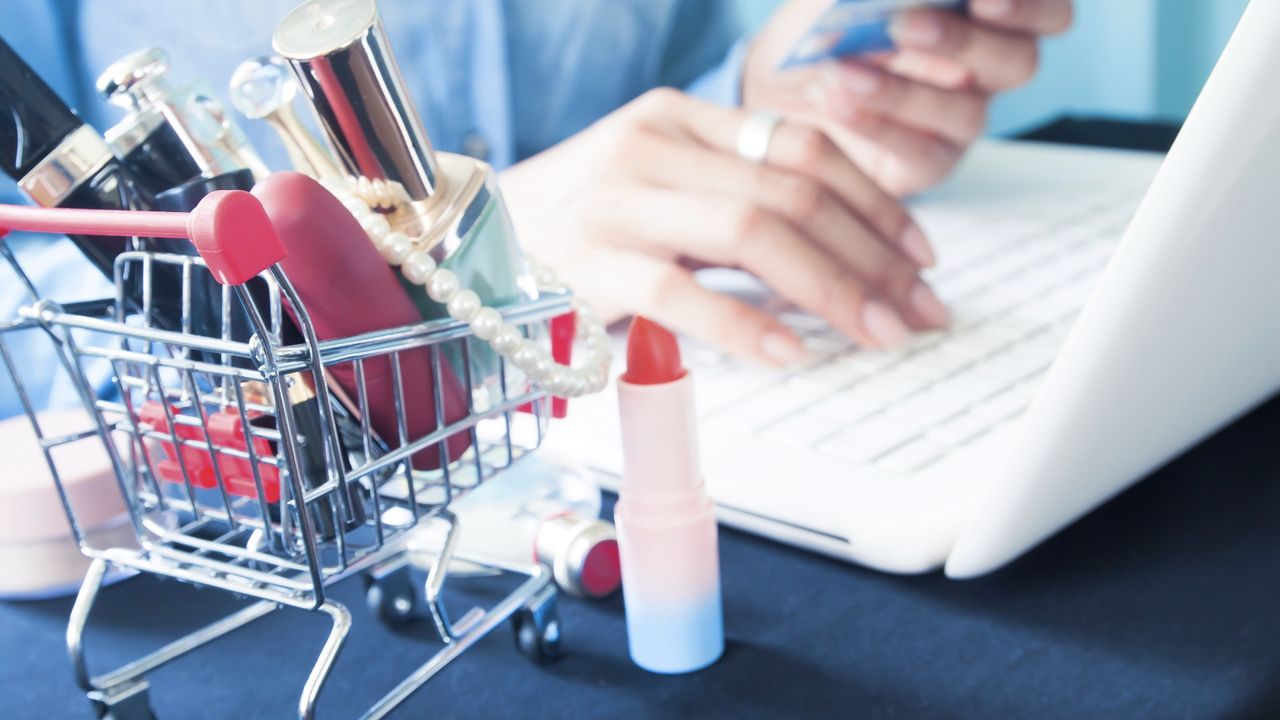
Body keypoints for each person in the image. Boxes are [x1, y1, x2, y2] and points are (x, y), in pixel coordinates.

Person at [0, 0, 1071, 415]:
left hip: (646, 402)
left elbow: (651, 95)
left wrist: (756, 100)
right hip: (302, 488)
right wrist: (474, 256)